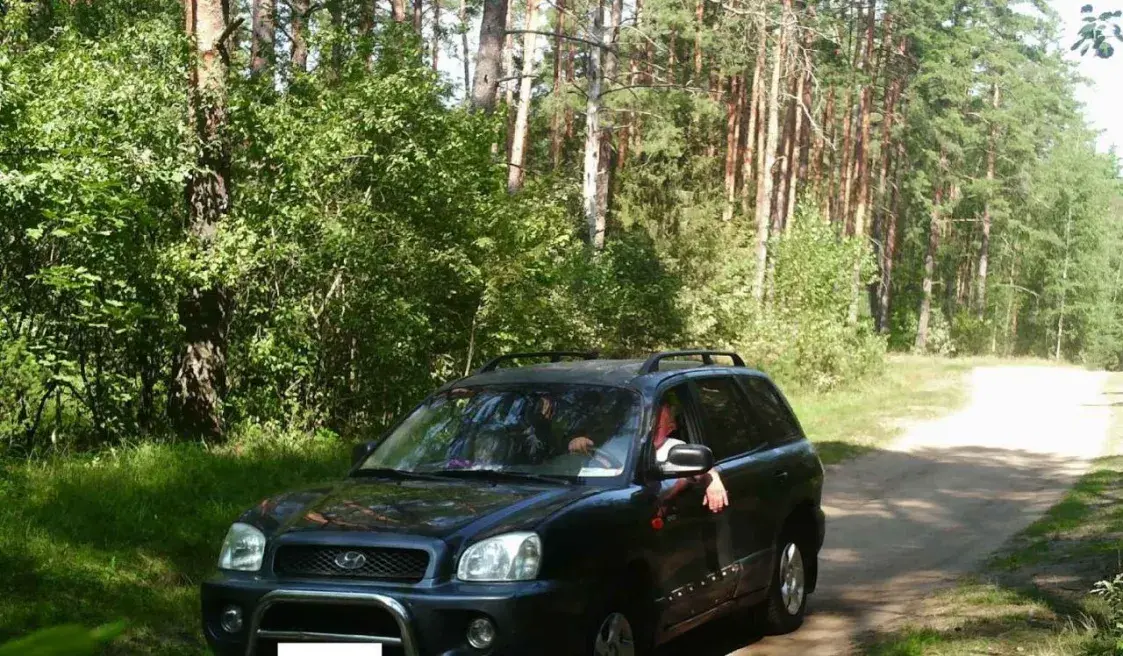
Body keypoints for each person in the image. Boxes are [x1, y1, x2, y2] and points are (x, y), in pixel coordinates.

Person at [651, 401, 728, 513]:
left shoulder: (675, 447)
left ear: (670, 428)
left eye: (656, 428)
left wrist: (713, 480)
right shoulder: (623, 446)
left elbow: (698, 467)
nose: (650, 432)